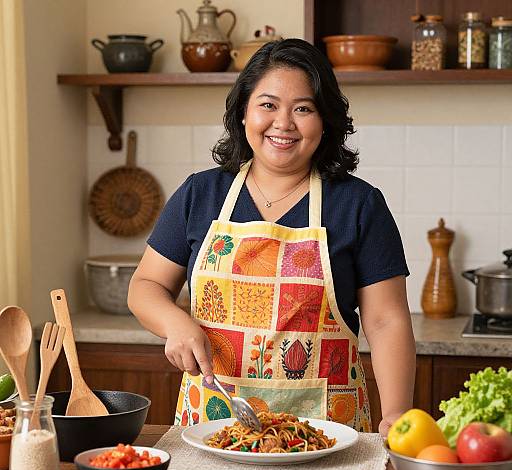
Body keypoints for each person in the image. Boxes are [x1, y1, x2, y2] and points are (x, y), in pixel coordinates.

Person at [128, 38, 416, 436]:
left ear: (325, 120)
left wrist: (397, 414)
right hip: (214, 430)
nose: (284, 123)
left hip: (327, 433)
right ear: (243, 112)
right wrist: (175, 323)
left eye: (303, 108)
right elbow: (146, 285)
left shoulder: (359, 204)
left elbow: (386, 321)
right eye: (268, 105)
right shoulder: (200, 194)